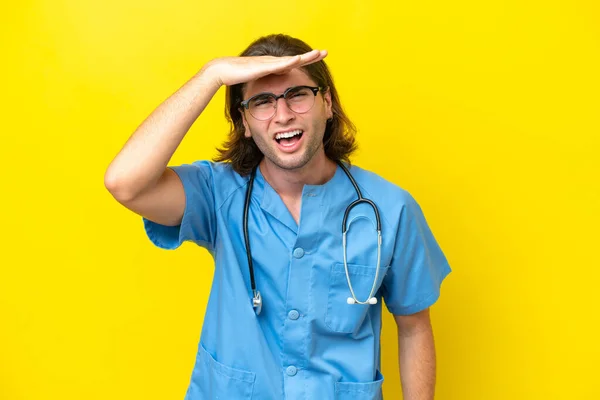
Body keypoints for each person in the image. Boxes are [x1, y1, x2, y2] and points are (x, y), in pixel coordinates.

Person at [104, 33, 452, 400]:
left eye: (297, 95)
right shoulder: (218, 193)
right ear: (244, 122)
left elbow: (414, 328)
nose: (282, 115)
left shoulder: (389, 208)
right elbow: (125, 183)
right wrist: (211, 76)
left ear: (328, 103)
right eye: (262, 102)